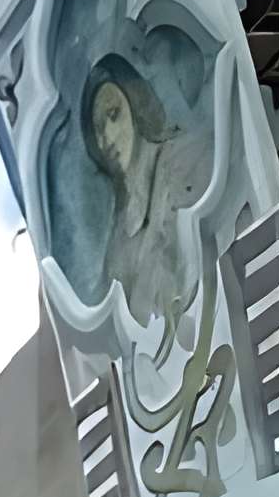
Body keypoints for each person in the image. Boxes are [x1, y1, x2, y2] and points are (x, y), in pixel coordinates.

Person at [77, 52, 211, 348]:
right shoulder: (117, 244)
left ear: (135, 101)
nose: (108, 137)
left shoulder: (190, 158)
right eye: (97, 128)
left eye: (113, 114)